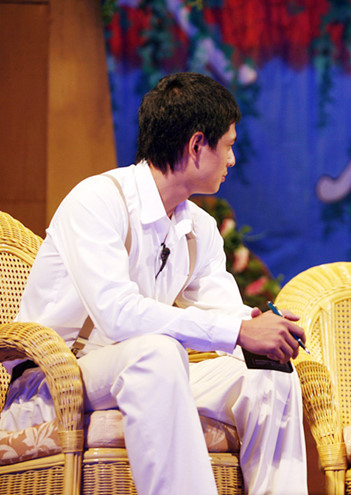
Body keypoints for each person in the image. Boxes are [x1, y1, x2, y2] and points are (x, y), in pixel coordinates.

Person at [0, 72, 308, 495]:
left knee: (269, 376)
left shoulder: (198, 227)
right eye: (228, 145)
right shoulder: (97, 200)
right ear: (197, 146)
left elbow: (225, 312)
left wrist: (264, 327)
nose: (233, 160)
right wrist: (238, 330)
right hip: (56, 382)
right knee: (157, 352)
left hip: (143, 371)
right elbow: (118, 314)